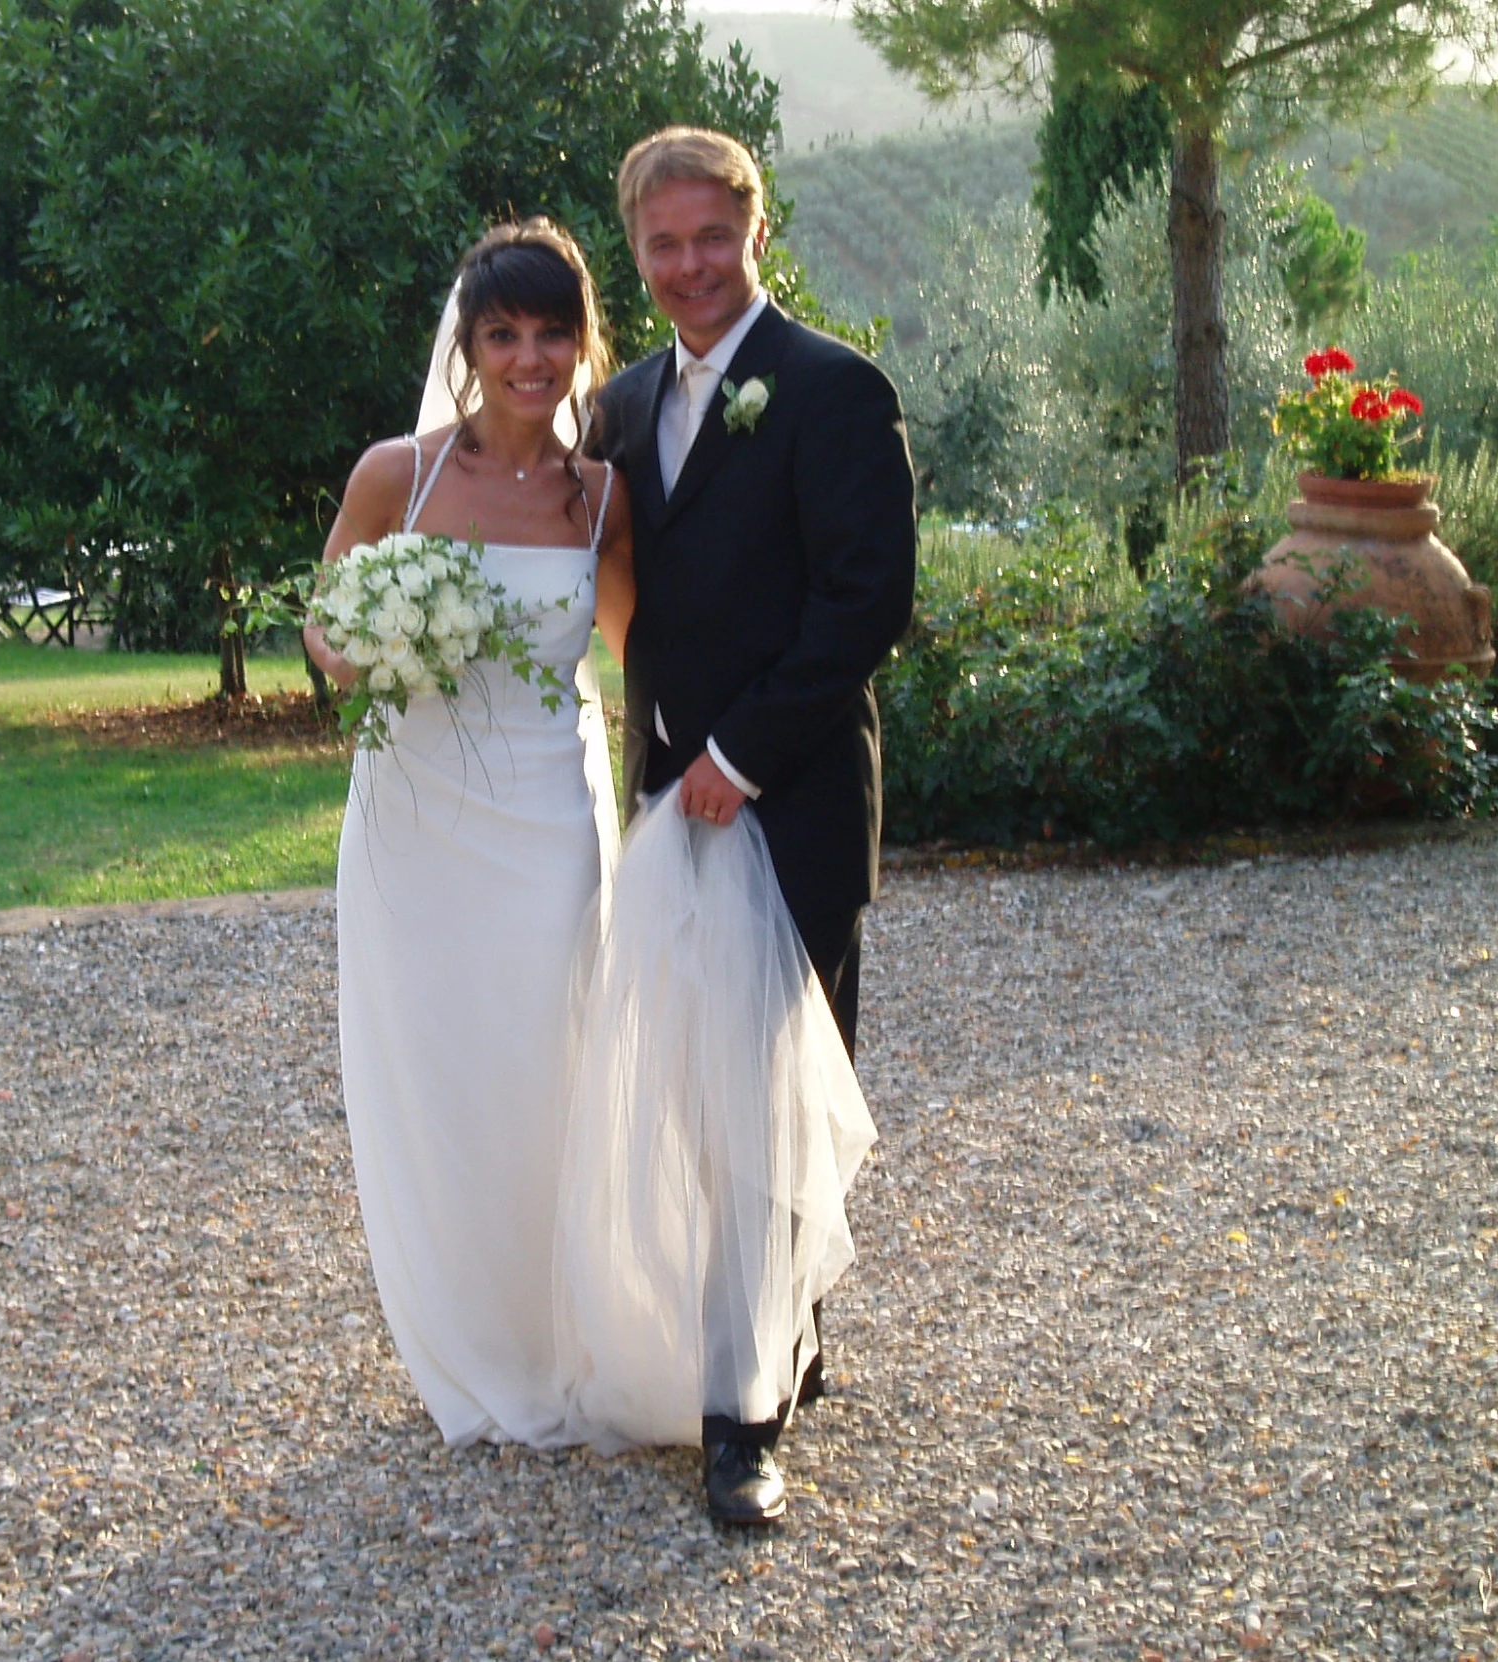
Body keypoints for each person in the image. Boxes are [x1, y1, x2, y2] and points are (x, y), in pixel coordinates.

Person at [588, 127, 918, 1523]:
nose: (689, 267)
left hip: (787, 807)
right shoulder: (617, 406)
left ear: (755, 230)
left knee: (777, 1104)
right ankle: (765, 1340)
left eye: (711, 237)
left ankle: (746, 1423)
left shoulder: (835, 390)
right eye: (663, 245)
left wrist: (739, 751)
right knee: (690, 1099)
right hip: (664, 802)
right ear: (638, 252)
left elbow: (867, 604)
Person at [305, 218, 633, 1447]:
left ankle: (566, 1331)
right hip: (415, 825)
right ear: (471, 341)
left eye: (552, 331)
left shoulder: (597, 496)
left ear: (581, 340)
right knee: (439, 1076)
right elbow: (323, 623)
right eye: (503, 332)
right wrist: (358, 648)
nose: (529, 356)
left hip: (549, 822)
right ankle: (471, 1340)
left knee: (546, 1069)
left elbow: (640, 648)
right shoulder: (401, 476)